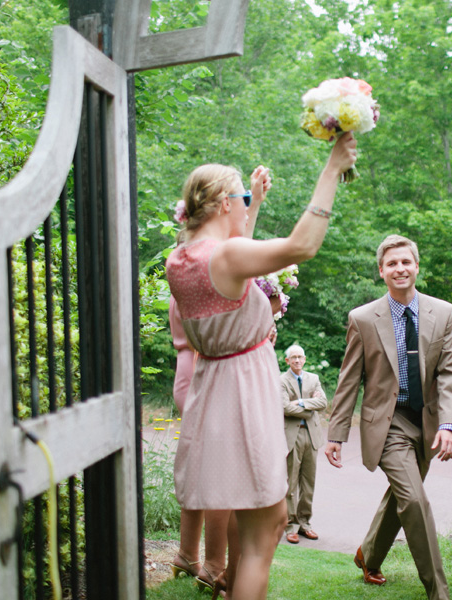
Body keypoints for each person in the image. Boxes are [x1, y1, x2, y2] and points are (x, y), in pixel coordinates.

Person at [166, 133, 357, 600]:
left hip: (214, 390)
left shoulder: (182, 260)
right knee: (260, 534)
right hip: (244, 396)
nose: (245, 204)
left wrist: (255, 208)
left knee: (259, 521)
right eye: (243, 198)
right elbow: (301, 246)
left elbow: (231, 266)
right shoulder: (226, 257)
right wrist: (331, 169)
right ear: (222, 203)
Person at [324, 235, 452, 600]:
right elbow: (349, 379)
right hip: (387, 424)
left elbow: (450, 373)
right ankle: (438, 591)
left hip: (428, 422)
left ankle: (368, 556)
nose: (400, 269)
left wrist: (449, 424)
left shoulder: (443, 312)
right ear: (381, 271)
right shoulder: (363, 319)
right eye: (392, 264)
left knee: (403, 496)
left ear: (416, 266)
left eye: (406, 262)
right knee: (414, 501)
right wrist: (335, 434)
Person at [167, 297, 232, 594]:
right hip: (207, 371)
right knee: (222, 471)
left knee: (198, 466)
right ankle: (214, 564)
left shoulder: (186, 271)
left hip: (189, 369)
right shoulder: (210, 279)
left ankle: (187, 555)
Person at [280, 344, 328, 544]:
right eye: (294, 357)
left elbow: (323, 402)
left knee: (308, 482)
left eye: (300, 357)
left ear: (305, 359)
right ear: (287, 361)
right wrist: (309, 405)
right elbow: (283, 407)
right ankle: (290, 525)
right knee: (291, 482)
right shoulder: (281, 380)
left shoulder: (313, 379)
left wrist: (299, 403)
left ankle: (305, 523)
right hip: (292, 435)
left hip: (312, 435)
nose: (297, 360)